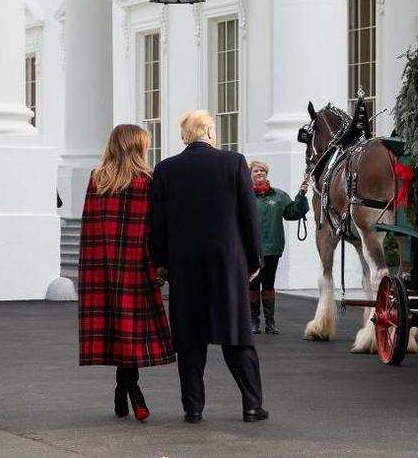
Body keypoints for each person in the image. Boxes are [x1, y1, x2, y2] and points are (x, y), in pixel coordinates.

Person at [150, 110, 268, 424]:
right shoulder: (234, 163)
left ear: (184, 136)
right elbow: (249, 216)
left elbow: (157, 224)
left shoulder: (165, 170)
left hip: (184, 265)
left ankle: (193, 408)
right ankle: (252, 404)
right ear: (210, 132)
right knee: (237, 335)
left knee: (189, 340)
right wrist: (255, 259)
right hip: (228, 264)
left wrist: (160, 263)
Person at [78, 124, 175, 422]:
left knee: (119, 331)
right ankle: (133, 392)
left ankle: (122, 391)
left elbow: (88, 227)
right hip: (136, 267)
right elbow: (157, 229)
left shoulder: (97, 179)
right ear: (137, 147)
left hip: (102, 268)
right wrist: (163, 265)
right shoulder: (148, 181)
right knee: (130, 331)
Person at [249, 161, 309, 334]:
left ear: (267, 174)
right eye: (255, 170)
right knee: (253, 285)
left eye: (262, 170)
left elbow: (292, 213)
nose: (259, 173)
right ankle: (254, 322)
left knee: (268, 284)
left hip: (272, 248)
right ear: (250, 175)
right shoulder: (244, 196)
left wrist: (301, 195)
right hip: (251, 249)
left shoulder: (279, 196)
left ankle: (270, 323)